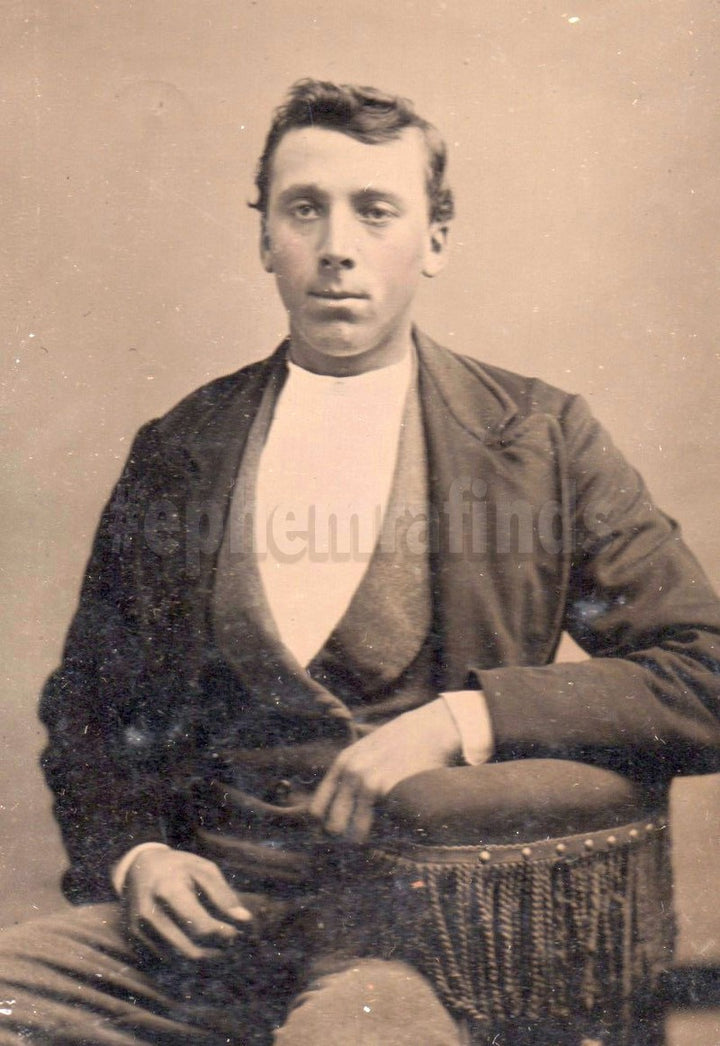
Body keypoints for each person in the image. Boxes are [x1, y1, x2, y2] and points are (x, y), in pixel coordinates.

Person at [1, 78, 719, 1046]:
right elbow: (85, 709)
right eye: (305, 209)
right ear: (266, 238)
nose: (336, 245)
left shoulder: (540, 441)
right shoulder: (179, 450)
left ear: (435, 238)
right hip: (198, 941)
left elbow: (704, 674)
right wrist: (137, 859)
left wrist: (465, 717)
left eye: (375, 210)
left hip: (412, 947)